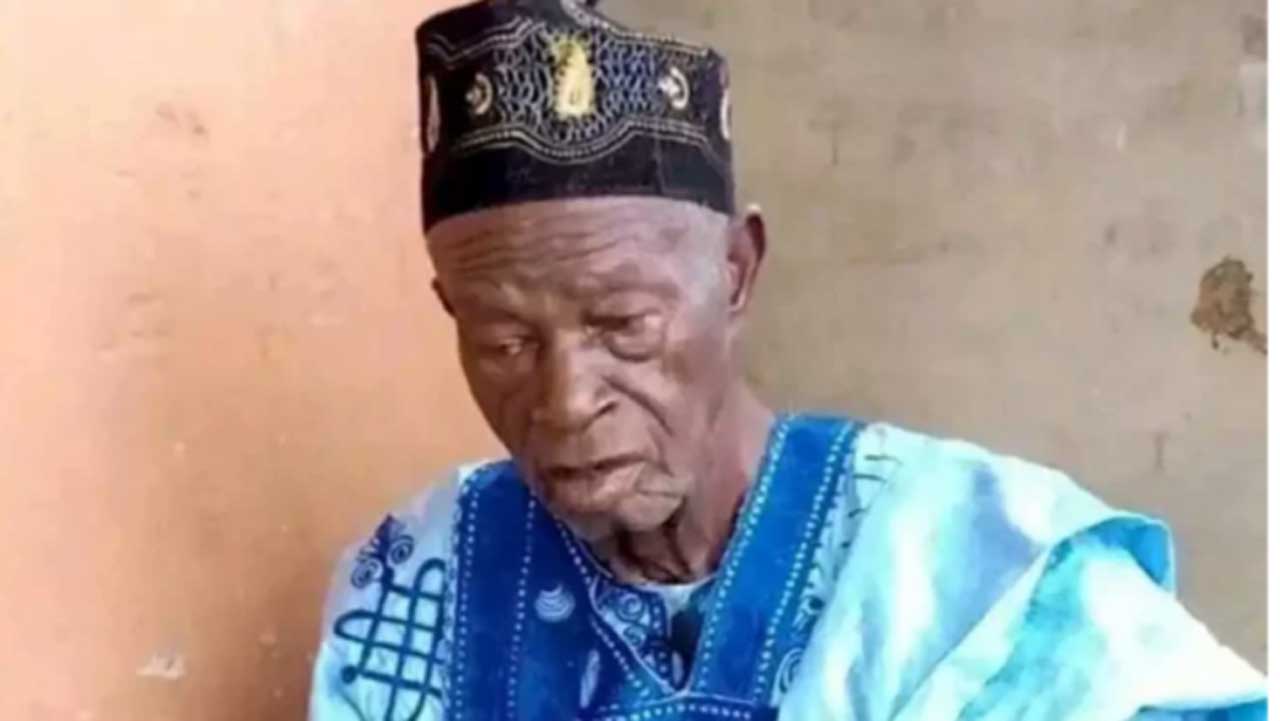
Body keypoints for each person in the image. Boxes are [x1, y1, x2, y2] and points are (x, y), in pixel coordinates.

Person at [308, 1, 1267, 719]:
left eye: (622, 325)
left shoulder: (974, 565)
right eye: (504, 342)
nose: (565, 400)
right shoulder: (422, 574)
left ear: (736, 271)